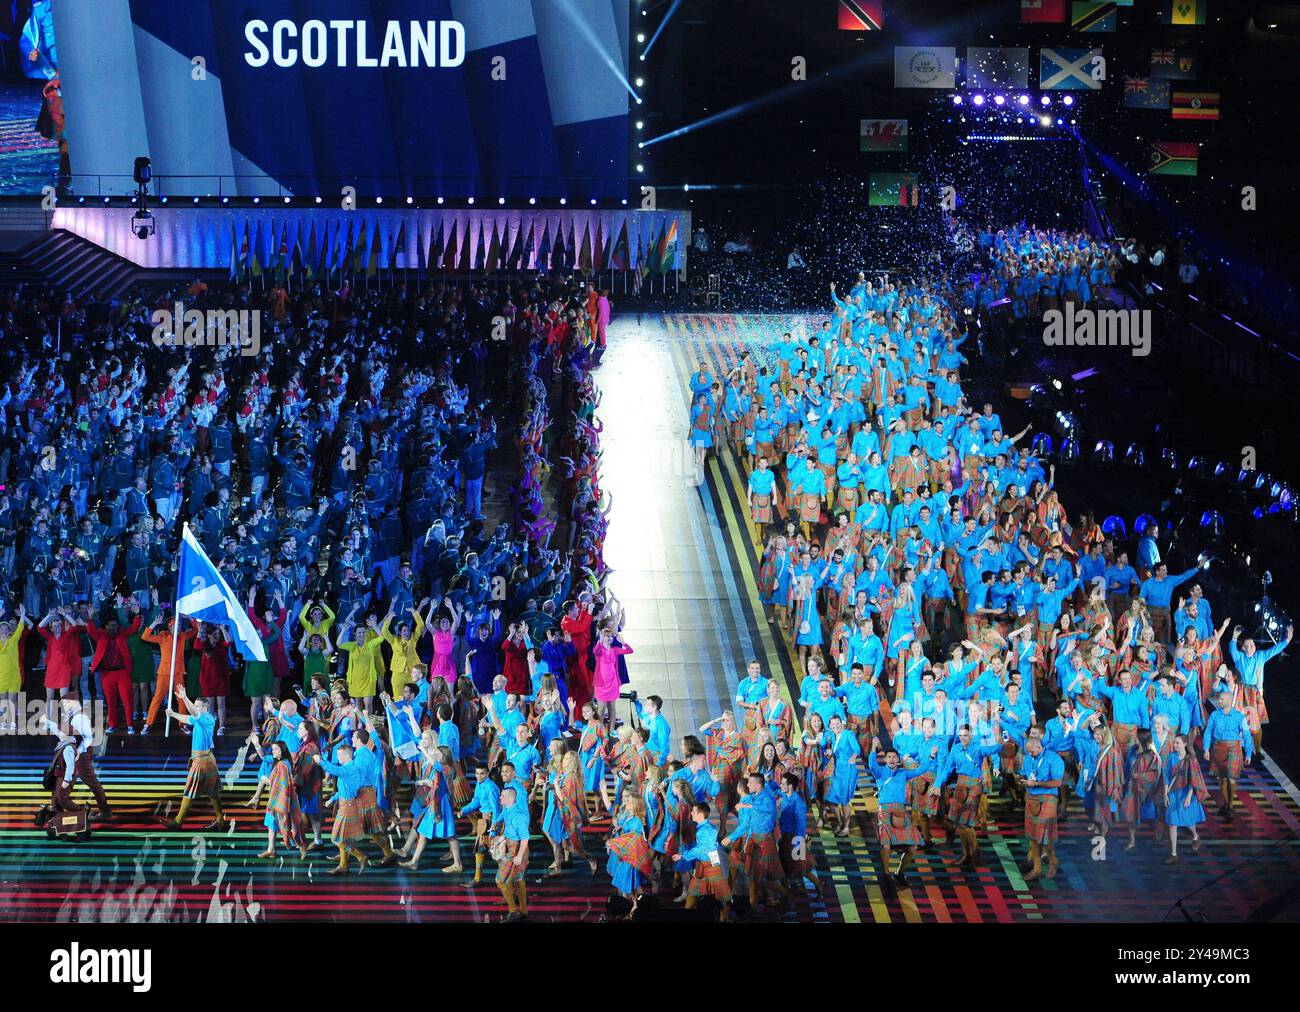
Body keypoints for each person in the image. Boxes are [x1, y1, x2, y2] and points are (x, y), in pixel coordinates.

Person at [162, 686, 227, 830]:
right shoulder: (200, 719)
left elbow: (193, 712)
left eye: (198, 706)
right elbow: (187, 718)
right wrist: (173, 714)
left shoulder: (207, 718)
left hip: (201, 761)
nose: (195, 708)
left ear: (205, 708)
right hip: (206, 759)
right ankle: (220, 820)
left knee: (189, 791)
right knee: (212, 791)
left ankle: (178, 822)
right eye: (195, 705)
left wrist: (184, 698)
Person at [1017, 734, 1064, 882]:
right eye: (1028, 752)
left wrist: (1036, 783)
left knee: (1043, 837)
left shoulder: (1054, 758)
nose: (1030, 754)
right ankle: (1037, 870)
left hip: (1048, 798)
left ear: (1039, 746)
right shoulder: (1028, 757)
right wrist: (1020, 780)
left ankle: (1053, 860)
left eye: (1032, 752)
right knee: (1032, 836)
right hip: (1031, 798)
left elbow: (1057, 782)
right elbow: (1025, 773)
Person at [1164, 733, 1210, 864]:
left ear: (1185, 744)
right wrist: (1165, 793)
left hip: (1186, 793)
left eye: (1177, 743)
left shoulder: (1192, 760)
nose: (1175, 745)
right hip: (1173, 793)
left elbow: (1194, 780)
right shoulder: (1172, 757)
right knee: (1172, 824)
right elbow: (1167, 776)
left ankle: (1195, 836)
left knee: (1189, 822)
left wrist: (1189, 797)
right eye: (1174, 743)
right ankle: (1174, 853)